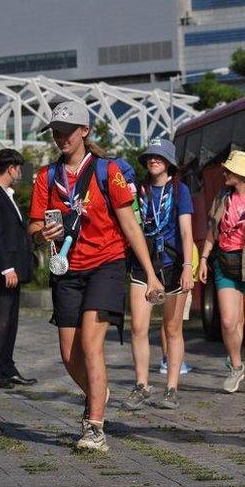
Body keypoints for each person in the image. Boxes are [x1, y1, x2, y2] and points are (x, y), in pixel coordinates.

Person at [28, 101, 162, 452]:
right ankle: (98, 391)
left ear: (84, 131)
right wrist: (43, 233)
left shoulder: (108, 171)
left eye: (67, 131)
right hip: (67, 268)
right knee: (70, 355)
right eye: (56, 132)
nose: (61, 138)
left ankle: (95, 428)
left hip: (107, 264)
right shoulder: (47, 177)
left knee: (90, 344)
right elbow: (34, 224)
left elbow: (130, 225)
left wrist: (150, 274)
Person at [122, 139, 195, 411]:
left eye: (160, 157)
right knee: (139, 328)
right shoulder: (138, 190)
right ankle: (142, 385)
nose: (154, 160)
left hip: (173, 265)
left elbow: (186, 231)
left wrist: (188, 266)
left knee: (172, 329)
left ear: (169, 163)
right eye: (151, 156)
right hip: (143, 265)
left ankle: (172, 388)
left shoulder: (180, 190)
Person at [197, 150, 245, 395]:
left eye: (229, 170)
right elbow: (212, 230)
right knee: (229, 321)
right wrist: (205, 258)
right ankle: (236, 366)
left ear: (242, 175)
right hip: (224, 263)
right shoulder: (221, 198)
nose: (224, 173)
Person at [0, 148, 37, 390]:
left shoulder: (7, 195)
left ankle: (7, 365)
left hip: (15, 269)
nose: (20, 173)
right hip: (2, 272)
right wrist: (6, 268)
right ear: (10, 168)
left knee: (11, 321)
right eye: (18, 168)